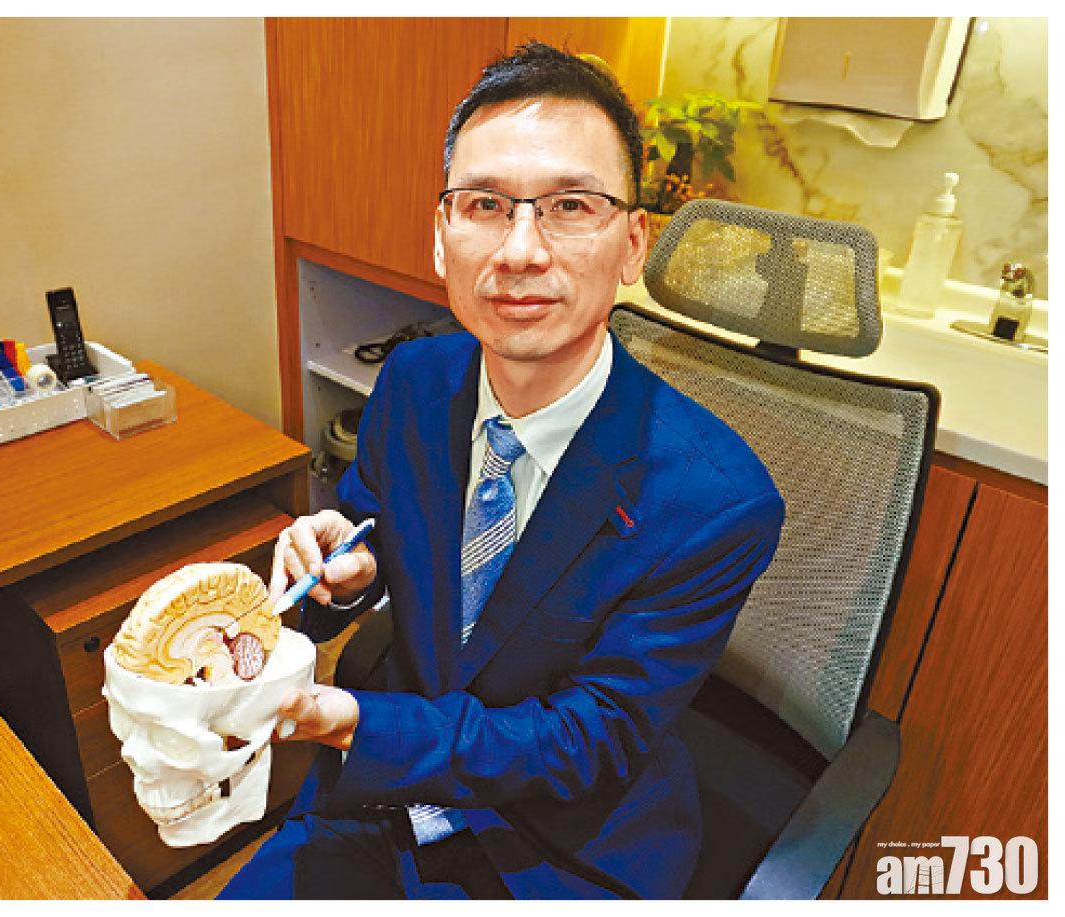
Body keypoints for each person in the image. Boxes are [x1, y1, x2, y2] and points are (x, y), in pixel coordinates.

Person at [220, 42, 784, 899]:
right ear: (441, 238)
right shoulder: (414, 381)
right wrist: (349, 568)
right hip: (383, 791)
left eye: (570, 205)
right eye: (485, 204)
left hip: (557, 839)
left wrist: (354, 722)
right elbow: (376, 529)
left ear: (633, 244)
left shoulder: (718, 501)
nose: (520, 250)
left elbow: (588, 738)